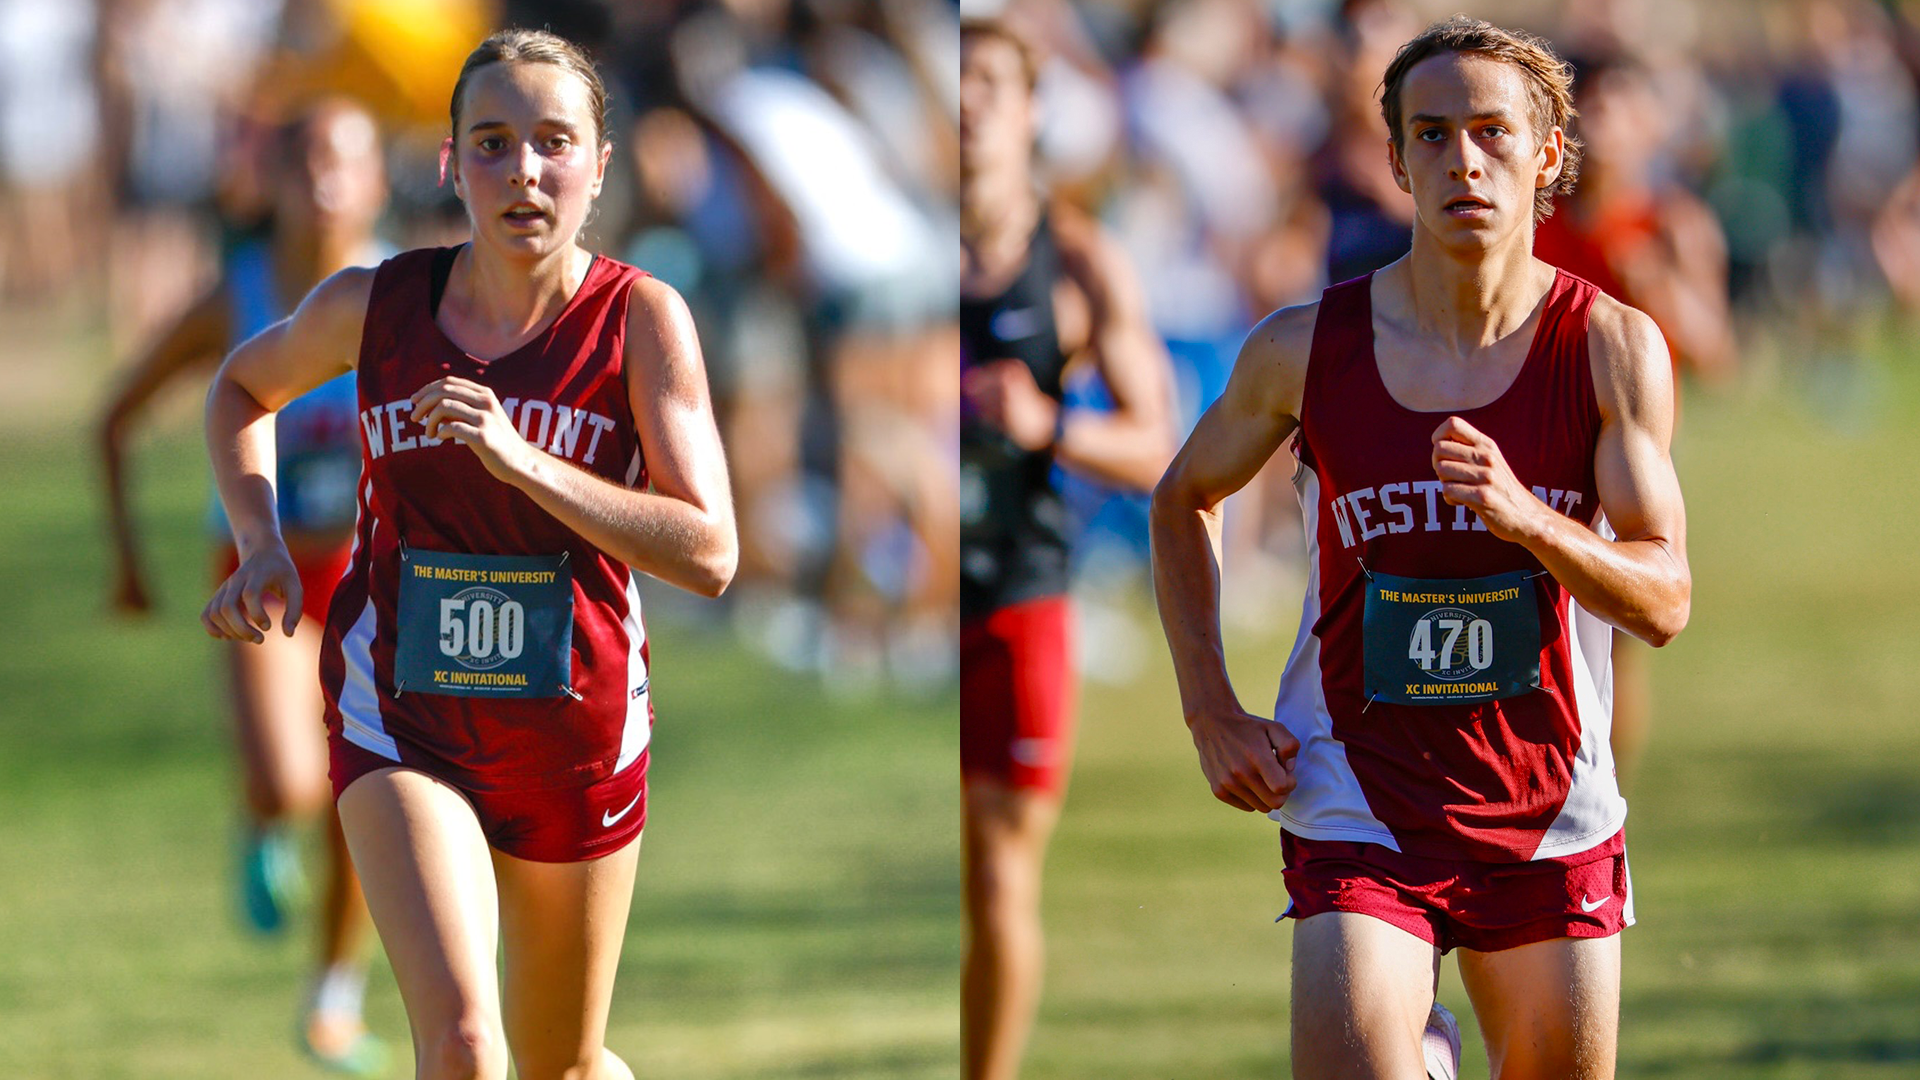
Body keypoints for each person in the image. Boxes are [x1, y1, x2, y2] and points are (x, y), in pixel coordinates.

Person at [1151, 17, 1690, 1080]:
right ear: (1395, 159)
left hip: (1548, 808)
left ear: (1546, 155)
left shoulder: (1612, 349)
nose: (1463, 162)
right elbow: (1182, 501)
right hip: (1359, 794)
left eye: (1492, 133)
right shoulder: (1305, 349)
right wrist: (1210, 707)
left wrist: (1530, 519)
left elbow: (1665, 598)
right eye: (1432, 135)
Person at [201, 29, 736, 1080]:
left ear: (597, 166)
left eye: (552, 142)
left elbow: (710, 550)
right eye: (491, 143)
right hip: (403, 719)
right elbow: (238, 390)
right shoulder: (380, 305)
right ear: (450, 165)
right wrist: (258, 540)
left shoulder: (640, 323)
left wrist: (523, 460)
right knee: (462, 1049)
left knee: (562, 1067)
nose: (523, 171)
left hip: (575, 737)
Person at [98, 97, 392, 1075]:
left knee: (369, 787)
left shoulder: (409, 292)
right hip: (261, 571)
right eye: (303, 158)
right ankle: (261, 817)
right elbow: (118, 417)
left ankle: (331, 1002)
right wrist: (130, 562)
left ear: (377, 180)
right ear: (267, 179)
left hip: (373, 575)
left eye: (342, 160)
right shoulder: (239, 292)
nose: (322, 181)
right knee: (291, 780)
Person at [959, 20, 1175, 1080]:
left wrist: (1050, 426)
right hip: (920, 602)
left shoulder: (1079, 257)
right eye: (951, 79)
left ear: (1031, 111)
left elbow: (1159, 446)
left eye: (989, 83)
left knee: (1000, 875)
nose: (965, 102)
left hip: (1021, 592)